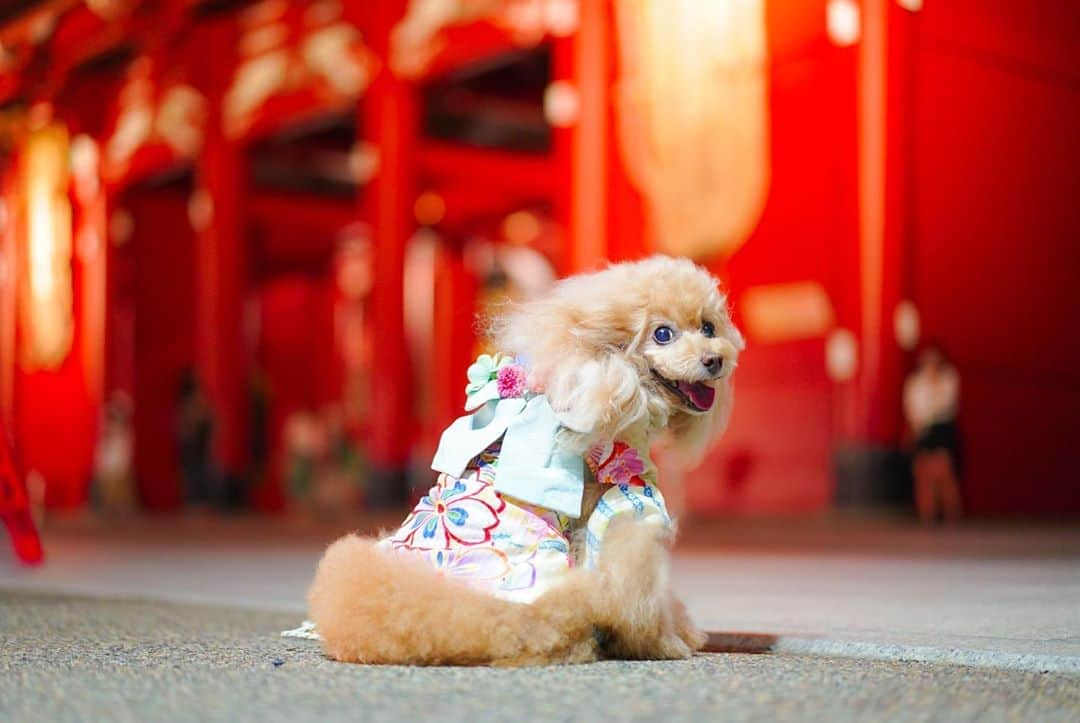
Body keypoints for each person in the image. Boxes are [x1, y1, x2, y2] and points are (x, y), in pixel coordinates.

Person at [903, 345, 963, 523]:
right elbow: (911, 406)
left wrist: (934, 382)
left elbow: (945, 403)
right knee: (923, 471)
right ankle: (927, 513)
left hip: (941, 426)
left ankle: (951, 513)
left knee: (942, 470)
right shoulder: (915, 381)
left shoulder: (948, 378)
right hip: (921, 427)